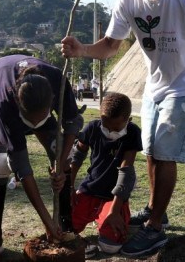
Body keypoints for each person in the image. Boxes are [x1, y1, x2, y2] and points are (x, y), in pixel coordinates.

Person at [61, 0, 185, 256]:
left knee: (163, 153)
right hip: (155, 87)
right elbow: (110, 45)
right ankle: (153, 210)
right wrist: (82, 50)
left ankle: (154, 229)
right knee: (148, 151)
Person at [0, 55, 83, 262]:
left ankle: (66, 225)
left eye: (41, 118)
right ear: (20, 107)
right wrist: (46, 219)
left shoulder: (58, 80)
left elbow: (72, 122)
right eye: (31, 121)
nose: (34, 125)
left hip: (33, 99)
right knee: (0, 164)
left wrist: (60, 163)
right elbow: (23, 166)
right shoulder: (5, 102)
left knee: (60, 154)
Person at [68, 92, 141, 257]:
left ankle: (108, 214)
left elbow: (126, 171)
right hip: (90, 189)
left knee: (110, 246)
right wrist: (70, 186)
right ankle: (97, 215)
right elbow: (77, 157)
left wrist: (115, 211)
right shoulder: (93, 128)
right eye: (105, 126)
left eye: (115, 128)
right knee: (66, 227)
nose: (109, 132)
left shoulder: (132, 133)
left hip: (114, 197)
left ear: (127, 120)